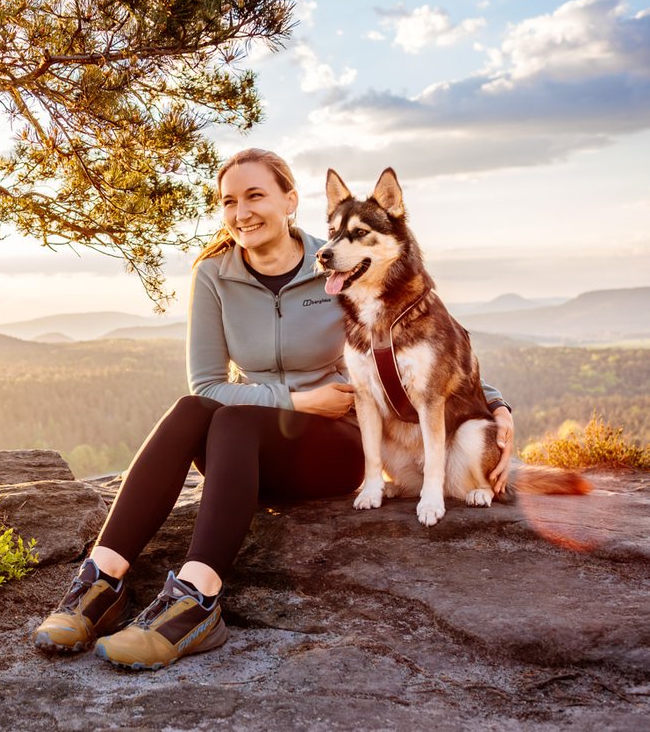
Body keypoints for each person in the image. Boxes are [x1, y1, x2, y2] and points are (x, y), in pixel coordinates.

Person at [31, 149, 515, 670]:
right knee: (192, 409)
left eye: (255, 195)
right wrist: (295, 399)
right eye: (229, 201)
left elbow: (427, 335)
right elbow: (207, 385)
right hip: (245, 449)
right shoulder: (214, 275)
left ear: (289, 201)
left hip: (333, 445)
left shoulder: (338, 263)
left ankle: (196, 600)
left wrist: (496, 406)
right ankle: (99, 582)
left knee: (233, 418)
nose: (242, 212)